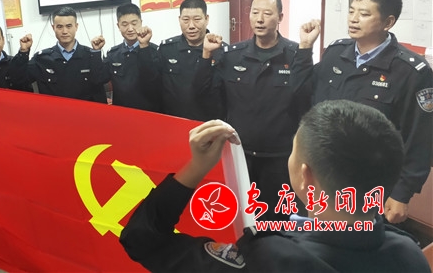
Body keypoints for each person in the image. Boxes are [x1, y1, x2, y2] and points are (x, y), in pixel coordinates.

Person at [120, 100, 430, 272]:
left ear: (306, 177)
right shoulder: (410, 254)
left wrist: (196, 167)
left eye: (294, 150)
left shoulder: (269, 261)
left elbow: (142, 240)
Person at [295, 0, 433, 224]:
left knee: (363, 241)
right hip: (324, 174)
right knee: (319, 240)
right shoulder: (336, 53)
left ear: (388, 22)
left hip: (372, 184)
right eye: (351, 11)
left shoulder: (411, 71)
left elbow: (420, 137)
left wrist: (402, 193)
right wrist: (305, 49)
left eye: (364, 14)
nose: (354, 19)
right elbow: (304, 95)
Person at [193, 0, 311, 220]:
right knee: (240, 217)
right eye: (255, 13)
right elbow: (203, 93)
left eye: (267, 13)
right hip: (240, 154)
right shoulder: (233, 55)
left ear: (280, 17)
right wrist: (206, 55)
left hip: (280, 157)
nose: (260, 19)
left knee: (277, 220)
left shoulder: (296, 55)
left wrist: (306, 49)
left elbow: (305, 98)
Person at [138, 0, 225, 121]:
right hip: (173, 121)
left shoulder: (221, 51)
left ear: (207, 19)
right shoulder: (168, 49)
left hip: (207, 124)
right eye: (185, 20)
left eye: (197, 19)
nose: (191, 26)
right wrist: (144, 46)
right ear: (179, 20)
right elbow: (151, 83)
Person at [11, 6, 110, 103]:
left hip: (84, 112)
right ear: (53, 27)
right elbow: (18, 81)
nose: (64, 31)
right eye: (59, 27)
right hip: (55, 112)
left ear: (76, 26)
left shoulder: (91, 55)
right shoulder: (42, 59)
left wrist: (97, 52)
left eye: (69, 26)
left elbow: (100, 83)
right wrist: (23, 52)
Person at [102, 3, 161, 112]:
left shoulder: (155, 51)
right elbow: (100, 79)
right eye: (124, 24)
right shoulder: (112, 54)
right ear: (118, 26)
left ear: (141, 22)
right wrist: (96, 52)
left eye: (134, 23)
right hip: (122, 113)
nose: (130, 29)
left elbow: (152, 80)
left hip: (149, 112)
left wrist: (144, 46)